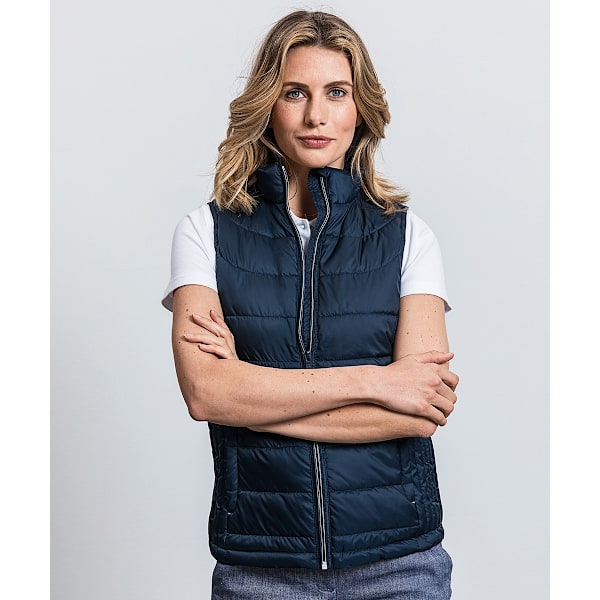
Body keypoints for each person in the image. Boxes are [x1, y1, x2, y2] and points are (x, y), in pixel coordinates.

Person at [162, 9, 459, 599]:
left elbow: (419, 410)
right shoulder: (205, 233)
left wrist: (250, 396)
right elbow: (207, 394)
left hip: (399, 566)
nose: (316, 114)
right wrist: (377, 381)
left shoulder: (408, 237)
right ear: (267, 104)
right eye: (295, 92)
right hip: (259, 569)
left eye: (337, 92)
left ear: (360, 108)